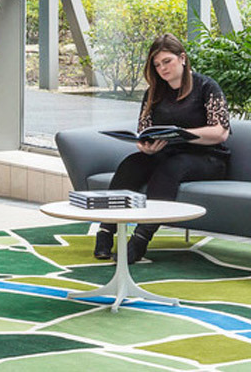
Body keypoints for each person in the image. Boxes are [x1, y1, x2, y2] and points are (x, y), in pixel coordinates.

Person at [94, 32, 230, 265]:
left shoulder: (206, 87)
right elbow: (144, 130)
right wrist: (145, 147)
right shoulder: (154, 92)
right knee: (132, 163)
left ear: (182, 58)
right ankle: (106, 230)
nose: (162, 69)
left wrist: (185, 135)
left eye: (167, 61)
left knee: (171, 167)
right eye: (157, 65)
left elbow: (220, 132)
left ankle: (140, 239)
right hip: (167, 153)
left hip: (208, 157)